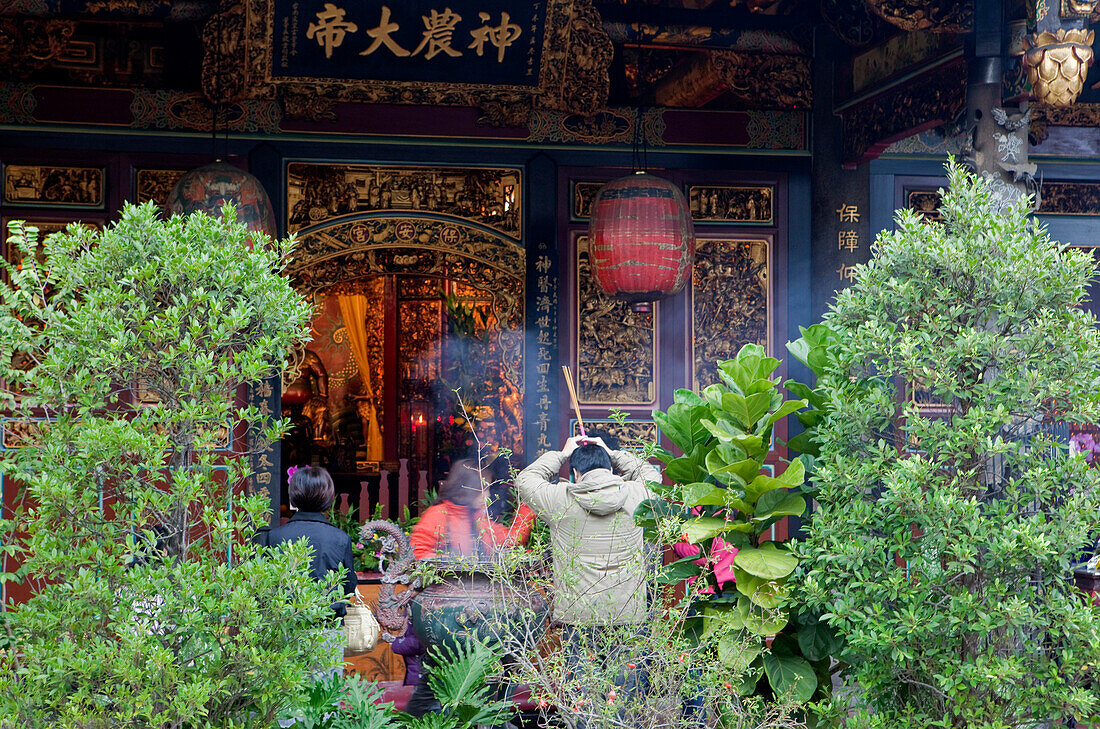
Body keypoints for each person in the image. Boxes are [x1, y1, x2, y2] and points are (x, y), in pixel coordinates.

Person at [516, 436, 659, 716]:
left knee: (582, 699)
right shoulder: (635, 495)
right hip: (628, 615)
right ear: (611, 470)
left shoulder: (561, 499)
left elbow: (526, 479)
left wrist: (562, 452)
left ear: (576, 474)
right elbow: (651, 474)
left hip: (579, 617)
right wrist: (613, 452)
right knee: (626, 699)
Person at [265, 466, 356, 673]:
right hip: (326, 631)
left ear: (294, 496)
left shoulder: (276, 537)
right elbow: (348, 588)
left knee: (285, 699)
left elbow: (266, 588)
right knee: (324, 698)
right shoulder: (340, 538)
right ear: (329, 497)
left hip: (286, 629)